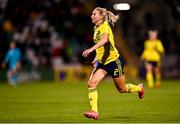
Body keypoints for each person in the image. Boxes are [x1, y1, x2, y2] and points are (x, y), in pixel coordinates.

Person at [82, 7, 144, 120]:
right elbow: (102, 46)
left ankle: (139, 88)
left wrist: (91, 50)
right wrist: (97, 56)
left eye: (94, 14)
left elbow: (105, 40)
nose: (92, 15)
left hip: (114, 62)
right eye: (92, 14)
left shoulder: (105, 26)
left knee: (122, 89)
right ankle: (94, 111)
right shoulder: (96, 27)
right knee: (91, 84)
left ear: (101, 16)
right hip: (102, 63)